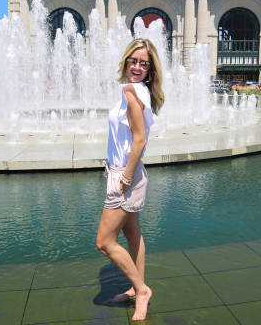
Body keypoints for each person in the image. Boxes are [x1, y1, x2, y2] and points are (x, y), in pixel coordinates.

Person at [96, 38, 164, 321]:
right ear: (125, 62)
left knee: (104, 242)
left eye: (143, 63)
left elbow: (139, 140)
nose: (136, 66)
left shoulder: (132, 93)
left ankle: (141, 289)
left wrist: (123, 176)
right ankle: (136, 291)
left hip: (125, 174)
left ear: (150, 70)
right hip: (126, 171)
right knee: (132, 233)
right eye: (132, 61)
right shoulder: (139, 91)